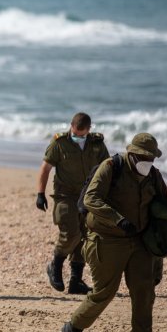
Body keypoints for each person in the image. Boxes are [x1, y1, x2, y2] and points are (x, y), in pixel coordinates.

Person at [62, 133, 167, 332]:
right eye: (144, 157)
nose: (148, 161)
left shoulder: (153, 175)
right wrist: (118, 220)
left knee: (144, 290)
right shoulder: (111, 168)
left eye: (152, 158)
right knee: (105, 291)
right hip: (108, 239)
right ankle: (73, 327)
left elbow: (164, 201)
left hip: (140, 240)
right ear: (132, 154)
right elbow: (91, 199)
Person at [37, 112, 109, 294]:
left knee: (84, 237)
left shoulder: (97, 144)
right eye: (75, 133)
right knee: (71, 234)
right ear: (71, 125)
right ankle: (55, 265)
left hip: (88, 197)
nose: (77, 136)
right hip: (65, 196)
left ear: (89, 130)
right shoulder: (59, 143)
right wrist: (40, 194)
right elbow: (45, 168)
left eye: (81, 135)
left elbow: (107, 169)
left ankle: (76, 281)